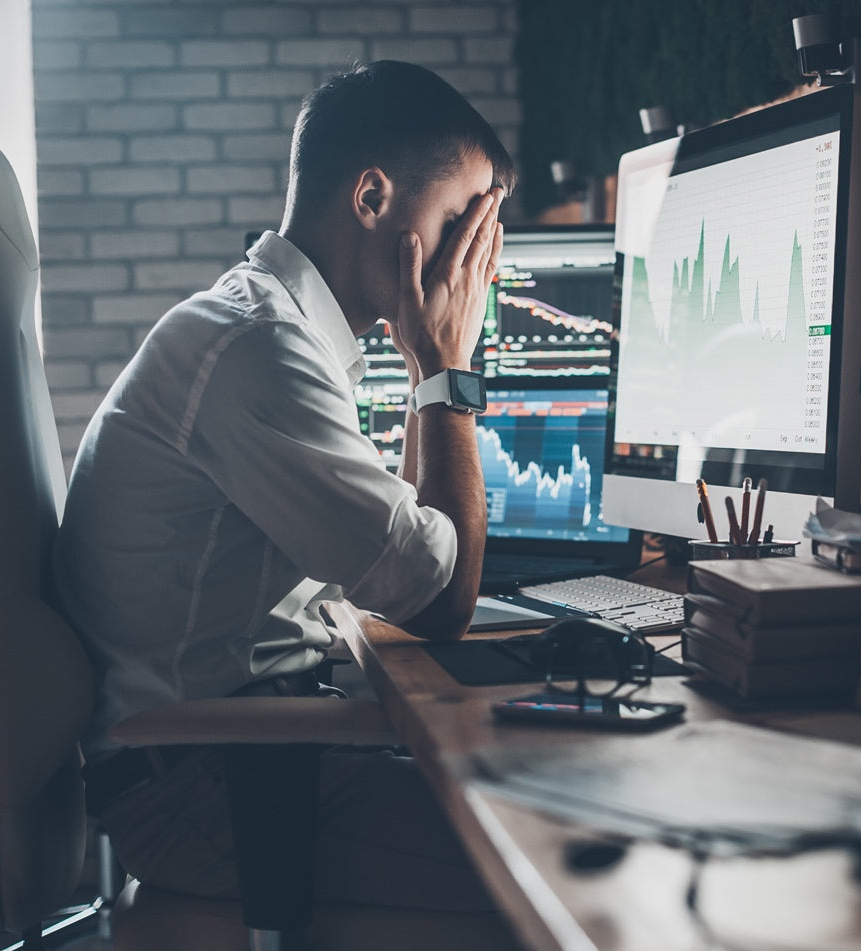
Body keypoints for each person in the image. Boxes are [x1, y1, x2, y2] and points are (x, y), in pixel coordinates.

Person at [53, 61, 516, 930]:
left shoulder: (266, 328)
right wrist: (447, 364)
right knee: (539, 861)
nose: (471, 260)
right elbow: (440, 602)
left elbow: (412, 552)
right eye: (460, 220)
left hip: (235, 757)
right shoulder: (259, 349)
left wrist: (428, 363)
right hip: (207, 789)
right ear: (371, 197)